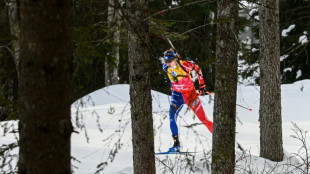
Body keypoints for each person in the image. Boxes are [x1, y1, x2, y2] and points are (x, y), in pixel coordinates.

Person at [162, 48, 213, 152]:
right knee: (171, 117)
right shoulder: (166, 68)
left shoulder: (184, 64)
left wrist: (202, 85)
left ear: (175, 59)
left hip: (190, 94)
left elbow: (198, 68)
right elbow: (171, 77)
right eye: (165, 61)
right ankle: (176, 144)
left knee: (204, 120)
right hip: (177, 95)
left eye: (169, 61)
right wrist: (172, 86)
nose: (167, 63)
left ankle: (220, 140)